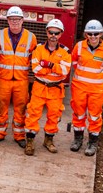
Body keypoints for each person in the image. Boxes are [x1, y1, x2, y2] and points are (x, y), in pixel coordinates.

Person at [23, 19, 71, 156]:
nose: (53, 35)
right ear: (47, 32)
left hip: (56, 90)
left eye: (56, 33)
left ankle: (48, 141)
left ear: (61, 34)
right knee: (33, 114)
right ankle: (30, 142)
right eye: (51, 32)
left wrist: (49, 65)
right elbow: (36, 69)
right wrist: (54, 69)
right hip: (39, 87)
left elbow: (64, 71)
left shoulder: (65, 52)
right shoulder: (38, 49)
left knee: (54, 116)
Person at [0, 5, 37, 147]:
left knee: (21, 108)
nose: (15, 22)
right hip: (3, 79)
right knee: (1, 107)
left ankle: (19, 135)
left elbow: (34, 59)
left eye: (17, 19)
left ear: (23, 20)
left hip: (21, 80)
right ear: (7, 20)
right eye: (12, 19)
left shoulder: (31, 37)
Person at [69, 19, 103, 157]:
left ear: (101, 34)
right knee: (79, 113)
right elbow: (74, 62)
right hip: (79, 87)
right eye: (90, 33)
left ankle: (92, 142)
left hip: (97, 90)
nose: (93, 36)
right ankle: (78, 139)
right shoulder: (78, 47)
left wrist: (96, 78)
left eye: (96, 33)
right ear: (86, 34)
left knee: (94, 116)